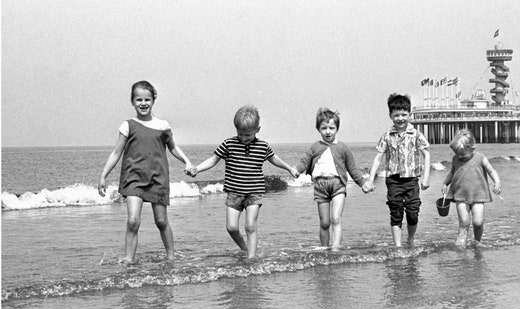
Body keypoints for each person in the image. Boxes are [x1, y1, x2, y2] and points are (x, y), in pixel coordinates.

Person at [98, 80, 195, 263]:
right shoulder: (127, 125)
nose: (143, 103)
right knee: (133, 220)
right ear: (132, 101)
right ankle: (129, 259)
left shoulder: (162, 126)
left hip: (157, 179)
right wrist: (103, 175)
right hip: (133, 179)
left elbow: (173, 148)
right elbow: (116, 152)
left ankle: (171, 257)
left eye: (147, 99)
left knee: (161, 221)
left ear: (153, 101)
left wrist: (187, 161)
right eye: (139, 99)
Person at [189, 105, 297, 259]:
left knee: (250, 226)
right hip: (234, 192)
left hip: (254, 192)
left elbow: (274, 159)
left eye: (248, 134)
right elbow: (213, 160)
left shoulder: (263, 146)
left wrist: (289, 168)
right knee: (231, 227)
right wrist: (197, 169)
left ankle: (251, 259)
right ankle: (245, 248)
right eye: (240, 134)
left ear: (257, 129)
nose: (244, 138)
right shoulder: (229, 144)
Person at [295, 108, 370, 251]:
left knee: (336, 219)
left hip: (338, 186)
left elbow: (352, 168)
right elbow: (304, 161)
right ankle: (325, 249)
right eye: (324, 128)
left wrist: (362, 184)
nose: (328, 131)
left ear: (337, 129)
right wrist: (296, 170)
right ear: (318, 129)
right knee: (324, 222)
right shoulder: (315, 147)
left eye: (331, 128)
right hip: (320, 187)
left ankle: (335, 249)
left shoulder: (343, 147)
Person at [364, 93, 430, 247]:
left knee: (413, 212)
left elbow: (426, 155)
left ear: (409, 114)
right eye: (396, 115)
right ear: (390, 116)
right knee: (396, 212)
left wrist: (425, 178)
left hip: (412, 179)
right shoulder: (387, 136)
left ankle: (411, 239)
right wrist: (370, 179)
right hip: (393, 180)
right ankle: (398, 246)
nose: (400, 118)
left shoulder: (416, 135)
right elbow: (378, 158)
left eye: (404, 115)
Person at [441, 129, 501, 247]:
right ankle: (461, 243)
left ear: (472, 148)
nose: (460, 156)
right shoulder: (455, 159)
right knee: (464, 222)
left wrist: (497, 182)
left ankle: (477, 242)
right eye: (457, 153)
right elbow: (452, 173)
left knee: (478, 222)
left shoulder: (480, 158)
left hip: (479, 194)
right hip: (460, 194)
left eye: (462, 154)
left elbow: (492, 171)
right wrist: (445, 183)